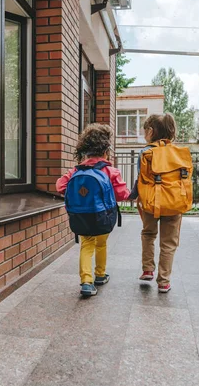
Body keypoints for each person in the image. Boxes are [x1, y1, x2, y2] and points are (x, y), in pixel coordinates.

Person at [56, 124, 130, 296]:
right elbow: (122, 194)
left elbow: (60, 186)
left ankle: (86, 282)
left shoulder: (75, 170)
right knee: (101, 243)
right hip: (102, 217)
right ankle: (100, 275)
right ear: (105, 150)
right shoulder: (110, 171)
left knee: (87, 245)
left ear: (85, 150)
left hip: (81, 216)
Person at [129, 114, 182, 293]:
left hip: (151, 201)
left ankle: (148, 269)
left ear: (151, 131)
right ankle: (164, 281)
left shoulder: (145, 152)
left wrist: (134, 195)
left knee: (148, 233)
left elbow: (140, 178)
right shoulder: (179, 153)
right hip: (174, 203)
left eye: (145, 130)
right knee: (168, 242)